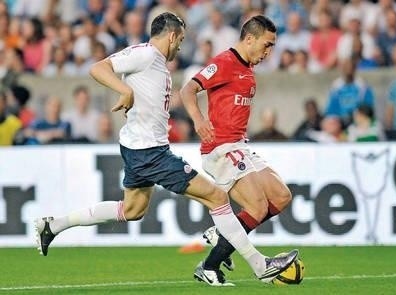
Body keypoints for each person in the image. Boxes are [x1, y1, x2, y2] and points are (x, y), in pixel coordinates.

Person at [34, 12, 297, 286]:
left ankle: (54, 225)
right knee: (218, 197)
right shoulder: (146, 55)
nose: (180, 46)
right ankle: (259, 265)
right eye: (180, 40)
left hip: (139, 148)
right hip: (151, 152)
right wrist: (125, 91)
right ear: (172, 36)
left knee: (132, 210)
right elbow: (98, 68)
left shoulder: (156, 63)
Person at [180, 15, 297, 285]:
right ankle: (211, 265)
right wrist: (198, 120)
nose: (269, 52)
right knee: (256, 206)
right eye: (267, 45)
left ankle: (223, 237)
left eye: (273, 47)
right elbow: (188, 90)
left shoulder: (247, 68)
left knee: (281, 197)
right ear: (249, 39)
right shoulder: (224, 62)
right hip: (220, 147)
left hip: (240, 145)